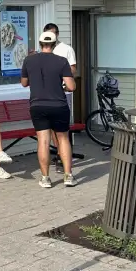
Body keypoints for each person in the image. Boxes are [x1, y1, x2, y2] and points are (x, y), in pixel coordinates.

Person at [21, 31, 78, 188]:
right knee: (63, 139)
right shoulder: (61, 61)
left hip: (37, 105)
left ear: (40, 44)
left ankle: (45, 178)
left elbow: (24, 83)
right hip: (59, 105)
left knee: (43, 141)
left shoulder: (29, 60)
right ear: (54, 44)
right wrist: (65, 84)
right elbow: (71, 86)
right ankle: (68, 176)